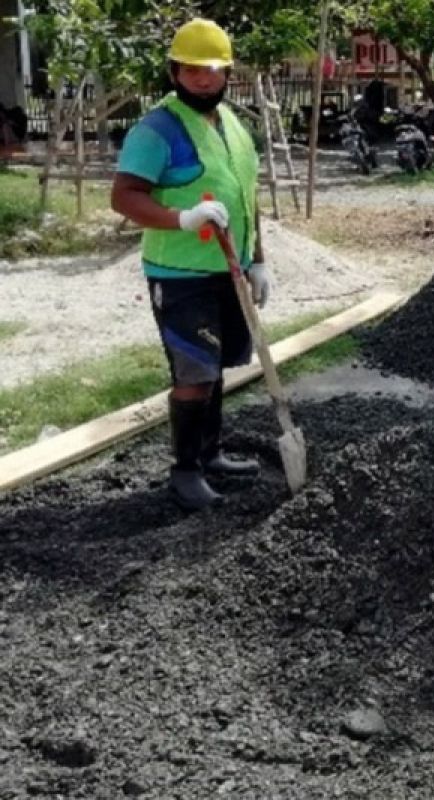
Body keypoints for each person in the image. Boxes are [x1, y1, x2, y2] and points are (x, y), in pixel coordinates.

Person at [110, 19, 269, 511]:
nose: (203, 79)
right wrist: (181, 218)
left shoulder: (234, 125)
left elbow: (247, 198)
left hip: (229, 270)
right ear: (175, 71)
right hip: (180, 276)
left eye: (213, 70)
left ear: (227, 73)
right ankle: (184, 471)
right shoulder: (157, 129)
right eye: (193, 69)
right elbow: (124, 197)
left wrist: (257, 261)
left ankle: (211, 454)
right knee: (195, 370)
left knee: (218, 365)